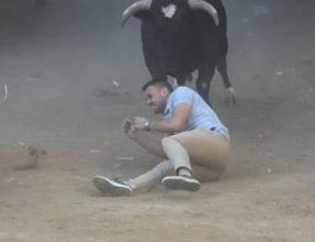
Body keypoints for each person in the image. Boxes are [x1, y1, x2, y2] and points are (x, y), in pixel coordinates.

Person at [93, 78, 231, 196]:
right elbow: (165, 150)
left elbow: (177, 125)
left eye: (150, 96)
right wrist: (137, 136)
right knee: (166, 166)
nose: (148, 101)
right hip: (213, 170)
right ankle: (129, 186)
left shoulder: (180, 92)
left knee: (169, 141)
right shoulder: (169, 116)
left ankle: (185, 175)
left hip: (217, 142)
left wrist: (147, 124)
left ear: (164, 92)